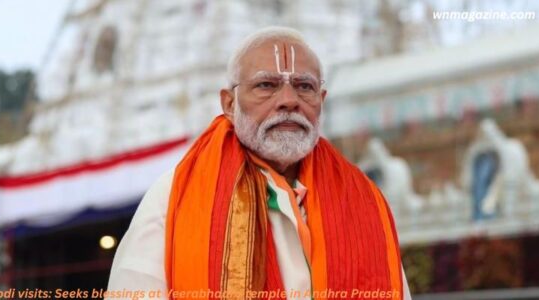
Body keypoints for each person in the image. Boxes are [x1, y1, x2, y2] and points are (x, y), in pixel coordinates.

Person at [108, 26, 412, 300]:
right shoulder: (176, 195)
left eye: (304, 86)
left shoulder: (363, 199)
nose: (289, 100)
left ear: (322, 100)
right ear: (229, 103)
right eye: (266, 85)